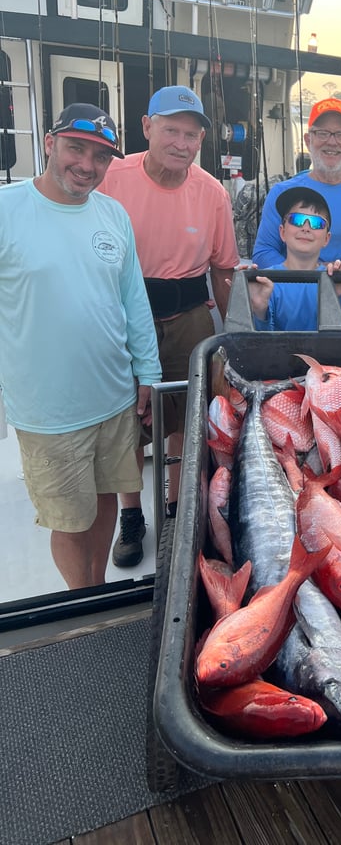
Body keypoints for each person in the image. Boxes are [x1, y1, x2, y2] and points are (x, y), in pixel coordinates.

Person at [0, 103, 161, 590]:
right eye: (76, 148)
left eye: (101, 156)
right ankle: (82, 600)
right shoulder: (7, 208)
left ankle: (99, 591)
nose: (87, 166)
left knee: (107, 497)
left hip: (113, 398)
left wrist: (148, 374)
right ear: (50, 144)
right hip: (46, 411)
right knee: (69, 520)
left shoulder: (113, 214)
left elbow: (134, 301)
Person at [99, 85, 239, 568]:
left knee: (184, 416)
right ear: (146, 127)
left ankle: (176, 510)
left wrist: (233, 339)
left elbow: (223, 269)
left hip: (188, 315)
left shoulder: (213, 192)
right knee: (123, 422)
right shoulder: (110, 177)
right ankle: (132, 516)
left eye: (192, 134)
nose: (182, 142)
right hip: (118, 315)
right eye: (172, 130)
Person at [252, 98, 341, 269]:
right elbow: (263, 252)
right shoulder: (282, 192)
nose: (332, 142)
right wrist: (313, 271)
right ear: (308, 140)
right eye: (322, 133)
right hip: (293, 294)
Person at [248, 186, 341, 330]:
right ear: (282, 232)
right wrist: (258, 307)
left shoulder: (337, 280)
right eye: (296, 220)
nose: (306, 228)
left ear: (326, 239)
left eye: (317, 223)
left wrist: (338, 297)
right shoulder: (267, 283)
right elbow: (259, 343)